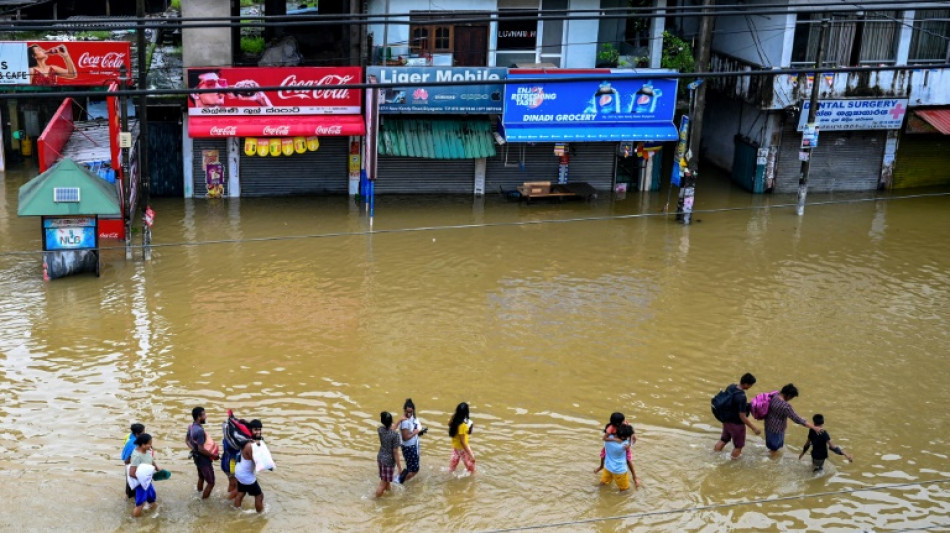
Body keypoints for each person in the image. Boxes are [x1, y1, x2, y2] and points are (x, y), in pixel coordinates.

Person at [764, 383, 822, 457]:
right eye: (792, 397)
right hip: (776, 430)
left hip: (768, 425)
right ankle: (771, 463)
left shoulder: (775, 395)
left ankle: (770, 456)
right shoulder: (785, 406)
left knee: (771, 447)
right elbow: (797, 419)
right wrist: (814, 427)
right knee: (774, 449)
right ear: (788, 395)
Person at [714, 373, 761, 459]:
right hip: (736, 425)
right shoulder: (741, 396)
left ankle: (714, 456)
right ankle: (732, 463)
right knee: (738, 447)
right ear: (746, 384)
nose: (750, 387)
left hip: (726, 421)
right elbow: (742, 416)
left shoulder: (731, 386)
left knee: (723, 440)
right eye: (750, 385)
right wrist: (754, 428)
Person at [187, 406, 219, 499]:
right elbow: (201, 449)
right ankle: (203, 501)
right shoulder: (200, 431)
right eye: (204, 414)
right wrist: (214, 455)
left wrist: (194, 449)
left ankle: (198, 494)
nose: (206, 416)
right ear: (198, 417)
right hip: (204, 460)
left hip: (196, 458)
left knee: (201, 477)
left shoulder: (191, 427)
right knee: (211, 482)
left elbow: (187, 441)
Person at [128, 433, 163, 518]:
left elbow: (150, 460)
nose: (151, 445)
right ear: (142, 445)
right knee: (140, 504)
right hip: (141, 484)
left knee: (152, 499)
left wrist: (157, 467)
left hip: (148, 482)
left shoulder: (148, 451)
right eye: (149, 443)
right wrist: (143, 479)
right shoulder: (137, 456)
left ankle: (154, 515)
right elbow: (132, 473)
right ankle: (132, 520)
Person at [234, 419, 265, 513]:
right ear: (250, 430)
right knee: (259, 496)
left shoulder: (246, 439)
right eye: (256, 429)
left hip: (239, 471)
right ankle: (260, 516)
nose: (258, 432)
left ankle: (236, 510)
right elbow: (257, 462)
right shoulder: (250, 445)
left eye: (260, 429)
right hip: (246, 475)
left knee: (241, 493)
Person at [396, 398, 427, 484]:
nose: (409, 414)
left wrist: (419, 431)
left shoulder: (413, 418)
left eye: (411, 412)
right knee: (415, 470)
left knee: (412, 467)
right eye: (407, 412)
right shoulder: (405, 422)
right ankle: (400, 481)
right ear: (404, 410)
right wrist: (415, 432)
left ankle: (401, 478)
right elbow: (405, 437)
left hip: (413, 445)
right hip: (409, 447)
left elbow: (414, 428)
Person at [600, 424, 639, 491]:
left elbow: (603, 454)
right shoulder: (625, 445)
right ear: (624, 437)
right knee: (625, 491)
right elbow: (629, 461)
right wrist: (634, 477)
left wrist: (601, 466)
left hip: (608, 468)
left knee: (603, 484)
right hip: (620, 471)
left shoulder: (607, 440)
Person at [376, 411, 403, 497]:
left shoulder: (380, 430)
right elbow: (395, 452)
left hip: (380, 458)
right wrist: (399, 467)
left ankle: (389, 494)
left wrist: (399, 421)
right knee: (383, 483)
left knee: (386, 480)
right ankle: (375, 499)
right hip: (388, 461)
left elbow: (391, 430)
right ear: (391, 421)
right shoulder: (395, 435)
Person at [448, 402, 476, 475]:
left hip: (455, 447)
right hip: (463, 449)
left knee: (452, 468)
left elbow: (449, 424)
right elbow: (462, 442)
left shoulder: (454, 418)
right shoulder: (463, 426)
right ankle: (472, 483)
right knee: (471, 469)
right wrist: (471, 455)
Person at [121, 423, 145, 499]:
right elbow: (127, 460)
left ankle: (127, 500)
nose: (144, 434)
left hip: (128, 468)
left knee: (129, 485)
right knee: (135, 487)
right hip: (132, 467)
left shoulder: (129, 438)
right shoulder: (135, 444)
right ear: (137, 434)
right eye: (143, 433)